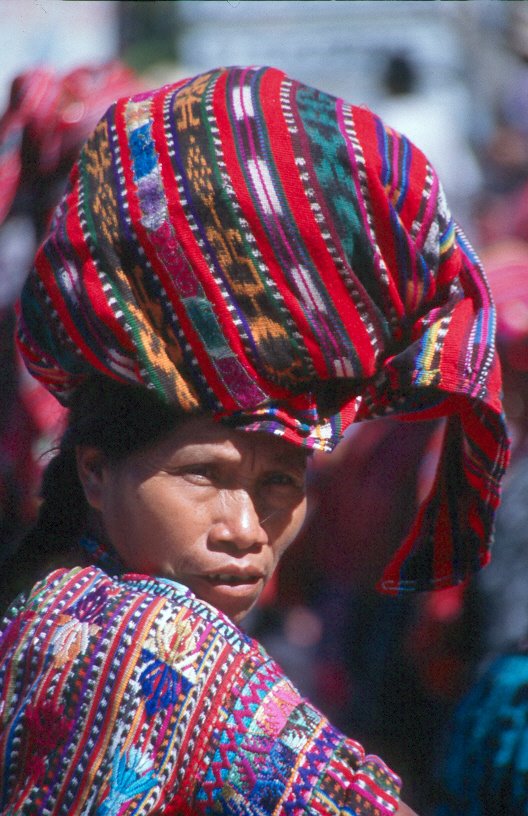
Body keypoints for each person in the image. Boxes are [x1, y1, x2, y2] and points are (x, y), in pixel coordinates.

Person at [0, 65, 509, 815]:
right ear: (96, 471)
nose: (245, 532)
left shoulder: (47, 611)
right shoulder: (165, 640)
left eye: (279, 482)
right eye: (203, 475)